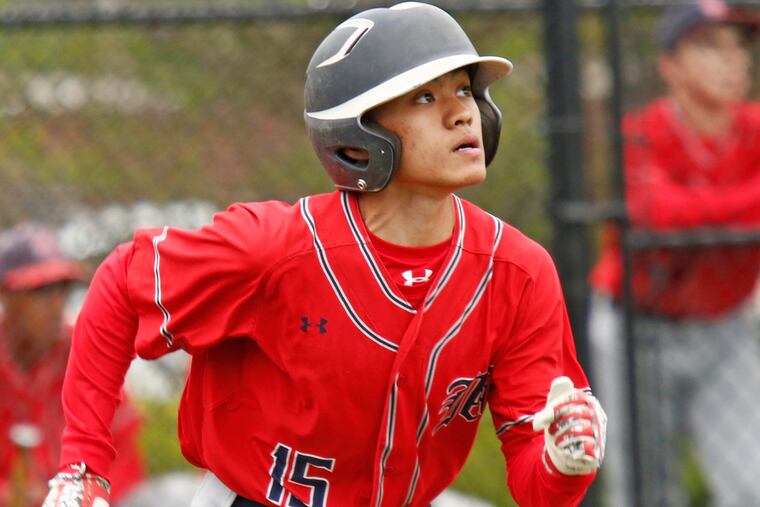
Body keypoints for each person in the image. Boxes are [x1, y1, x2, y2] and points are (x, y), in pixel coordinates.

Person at [43, 3, 606, 507]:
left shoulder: (519, 272)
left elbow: (537, 487)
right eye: (425, 97)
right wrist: (83, 465)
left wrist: (562, 461)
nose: (461, 114)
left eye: (464, 91)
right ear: (357, 136)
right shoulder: (272, 248)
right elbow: (121, 283)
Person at [589, 1, 760, 506]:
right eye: (710, 47)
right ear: (670, 67)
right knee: (646, 491)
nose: (732, 61)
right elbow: (655, 212)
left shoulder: (754, 130)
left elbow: (678, 211)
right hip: (637, 330)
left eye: (738, 48)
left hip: (726, 330)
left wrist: (702, 208)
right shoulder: (641, 132)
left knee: (752, 484)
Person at [0, 223, 144, 506]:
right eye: (40, 291)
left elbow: (125, 463)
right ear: (7, 295)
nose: (55, 303)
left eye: (62, 289)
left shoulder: (86, 354)